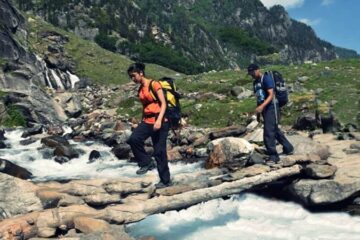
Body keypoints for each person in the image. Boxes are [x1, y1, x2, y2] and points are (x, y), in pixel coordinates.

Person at [126, 62, 172, 189]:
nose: (133, 79)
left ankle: (166, 181)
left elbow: (163, 104)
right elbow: (145, 106)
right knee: (133, 139)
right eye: (131, 77)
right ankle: (146, 162)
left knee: (159, 151)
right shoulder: (140, 89)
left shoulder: (154, 84)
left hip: (161, 121)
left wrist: (159, 121)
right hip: (147, 121)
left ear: (141, 73)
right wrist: (142, 122)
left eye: (134, 76)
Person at [247, 63, 294, 163]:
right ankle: (289, 148)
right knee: (274, 129)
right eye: (250, 73)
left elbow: (271, 94)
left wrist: (262, 106)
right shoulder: (255, 83)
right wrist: (259, 113)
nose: (252, 75)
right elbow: (259, 98)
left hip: (272, 107)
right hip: (264, 109)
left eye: (252, 72)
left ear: (257, 70)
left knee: (268, 132)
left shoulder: (266, 78)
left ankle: (273, 156)